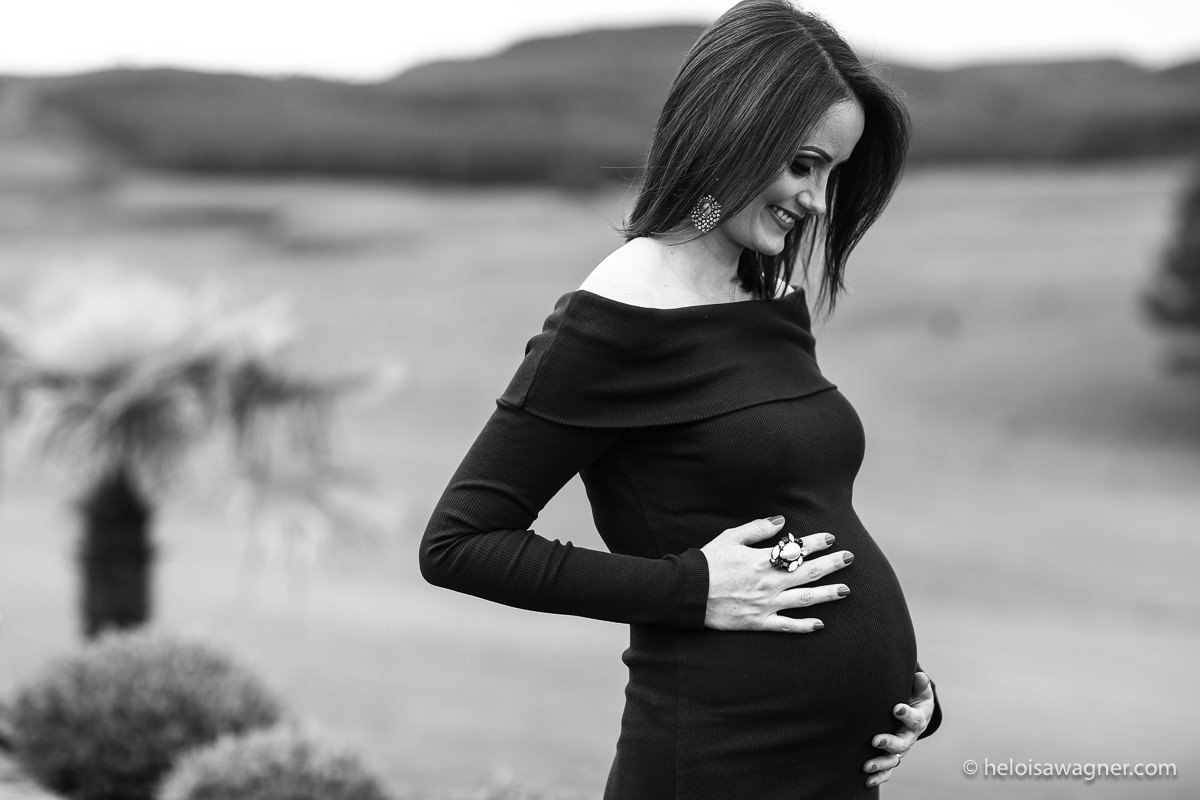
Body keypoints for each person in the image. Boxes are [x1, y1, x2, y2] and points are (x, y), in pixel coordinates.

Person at [420, 1, 942, 797]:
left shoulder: (766, 297)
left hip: (835, 770)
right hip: (718, 763)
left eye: (832, 172)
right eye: (804, 164)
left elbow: (802, 515)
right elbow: (459, 543)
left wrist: (903, 690)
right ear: (734, 130)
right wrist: (692, 588)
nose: (817, 199)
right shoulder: (615, 318)